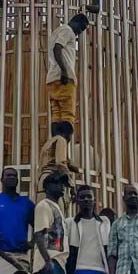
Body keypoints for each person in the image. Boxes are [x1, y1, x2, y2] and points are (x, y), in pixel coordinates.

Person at [44, 13, 90, 174]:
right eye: (82, 28)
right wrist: (64, 71)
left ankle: (56, 156)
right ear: (76, 22)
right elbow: (58, 48)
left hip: (52, 79)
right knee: (68, 120)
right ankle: (63, 160)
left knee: (57, 119)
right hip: (65, 79)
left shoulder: (57, 30)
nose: (80, 33)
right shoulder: (68, 30)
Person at [0, 167, 34, 262]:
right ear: (2, 179)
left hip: (20, 255)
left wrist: (31, 243)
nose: (12, 177)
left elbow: (40, 227)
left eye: (14, 176)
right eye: (8, 175)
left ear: (18, 180)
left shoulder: (26, 203)